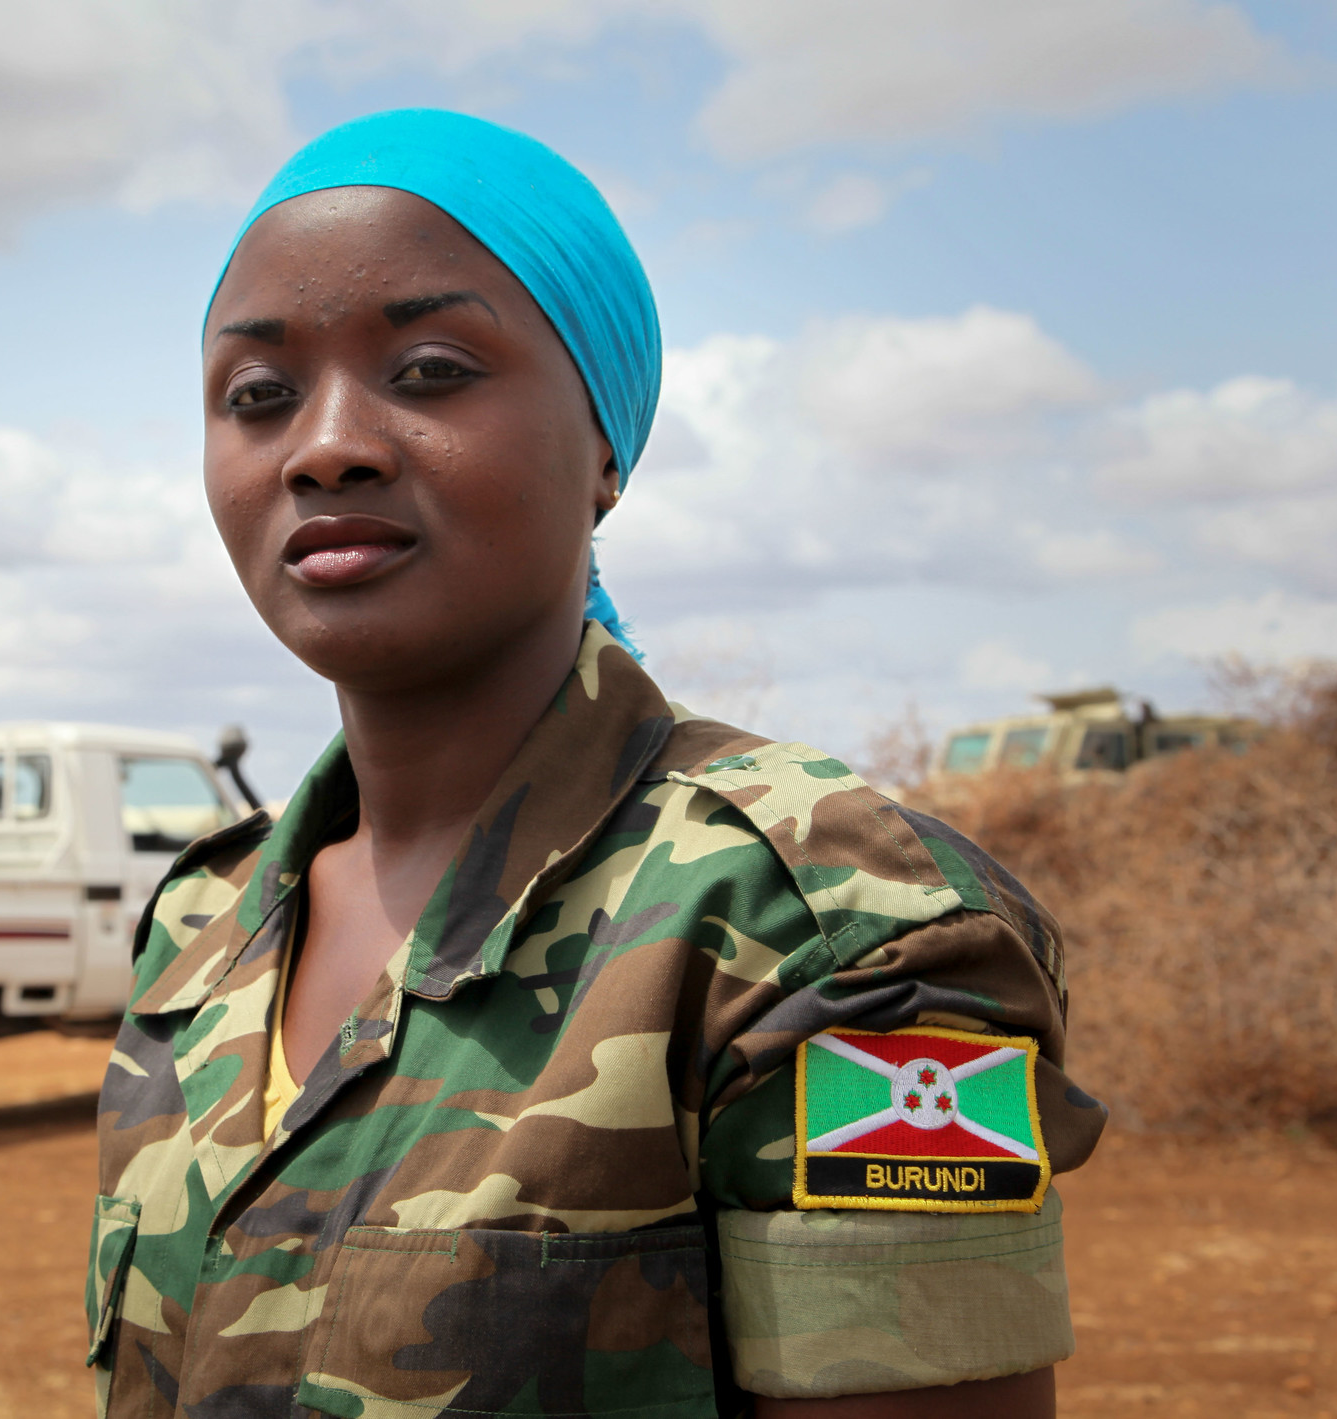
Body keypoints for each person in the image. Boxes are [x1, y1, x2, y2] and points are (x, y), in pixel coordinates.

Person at [89, 109, 1106, 1419]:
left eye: (432, 369)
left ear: (606, 451)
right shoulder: (199, 928)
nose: (324, 443)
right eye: (259, 396)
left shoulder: (815, 923)